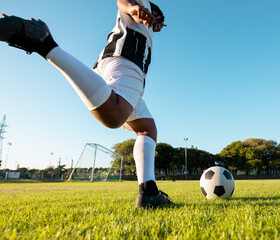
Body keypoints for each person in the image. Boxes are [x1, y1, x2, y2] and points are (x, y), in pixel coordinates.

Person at [0, 0, 173, 208]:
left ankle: (149, 193)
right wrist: (132, 8)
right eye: (157, 17)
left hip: (114, 61)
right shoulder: (140, 6)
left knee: (147, 128)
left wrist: (146, 16)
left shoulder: (146, 25)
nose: (158, 23)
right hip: (127, 59)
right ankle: (45, 43)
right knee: (115, 115)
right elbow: (122, 2)